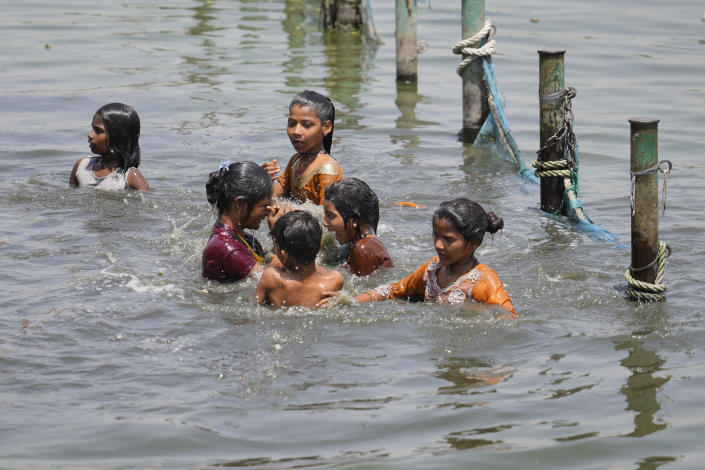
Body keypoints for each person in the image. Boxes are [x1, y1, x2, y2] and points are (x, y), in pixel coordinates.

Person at [354, 198, 518, 316]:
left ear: (474, 243)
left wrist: (473, 313)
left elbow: (509, 319)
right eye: (436, 236)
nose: (438, 245)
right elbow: (395, 290)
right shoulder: (433, 268)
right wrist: (350, 302)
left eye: (449, 240)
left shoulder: (485, 280)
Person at [202, 161, 289, 282]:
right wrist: (278, 233)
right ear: (239, 204)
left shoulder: (241, 237)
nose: (269, 210)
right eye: (265, 205)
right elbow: (275, 282)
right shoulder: (229, 251)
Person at [262, 91, 343, 205]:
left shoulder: (328, 170)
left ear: (326, 127)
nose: (296, 131)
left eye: (307, 125)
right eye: (292, 123)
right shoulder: (296, 160)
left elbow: (328, 217)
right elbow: (271, 200)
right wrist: (265, 181)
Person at [256, 210, 344, 308]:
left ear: (284, 255)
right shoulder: (334, 280)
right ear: (319, 246)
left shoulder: (271, 277)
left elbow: (255, 305)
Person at [322, 178, 393, 276]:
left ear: (354, 220)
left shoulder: (363, 249)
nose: (324, 222)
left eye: (330, 215)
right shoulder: (357, 244)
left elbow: (365, 290)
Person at [69, 103, 149, 191]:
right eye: (92, 128)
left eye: (98, 130)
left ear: (117, 139)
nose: (90, 135)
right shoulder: (81, 166)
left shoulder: (129, 177)